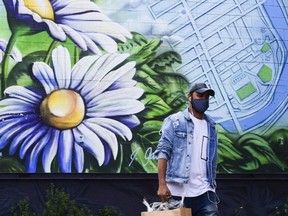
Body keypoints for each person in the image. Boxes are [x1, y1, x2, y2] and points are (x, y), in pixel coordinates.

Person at [154, 82, 219, 216]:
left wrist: (212, 185)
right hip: (177, 192)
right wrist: (162, 184)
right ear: (189, 97)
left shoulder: (211, 126)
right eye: (200, 95)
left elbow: (212, 160)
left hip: (205, 192)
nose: (204, 100)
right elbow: (163, 151)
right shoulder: (174, 121)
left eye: (207, 97)